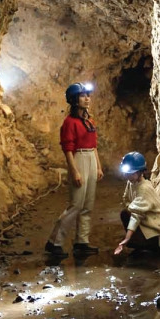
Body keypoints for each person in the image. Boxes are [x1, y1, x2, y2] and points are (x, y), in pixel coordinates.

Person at [44, 82, 104, 257]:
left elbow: (94, 146)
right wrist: (75, 171)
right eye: (83, 96)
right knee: (76, 205)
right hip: (78, 158)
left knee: (87, 205)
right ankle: (54, 242)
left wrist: (98, 166)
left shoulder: (89, 121)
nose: (87, 99)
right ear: (74, 99)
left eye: (88, 95)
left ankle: (81, 242)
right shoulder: (69, 123)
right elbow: (67, 149)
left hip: (91, 159)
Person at [113, 151, 160, 257]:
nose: (127, 176)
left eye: (131, 173)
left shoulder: (144, 188)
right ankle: (142, 242)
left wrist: (126, 239)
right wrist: (133, 208)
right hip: (150, 220)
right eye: (126, 173)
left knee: (131, 240)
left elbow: (135, 216)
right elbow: (126, 198)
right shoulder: (131, 183)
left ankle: (155, 246)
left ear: (140, 172)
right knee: (125, 213)